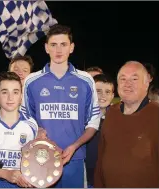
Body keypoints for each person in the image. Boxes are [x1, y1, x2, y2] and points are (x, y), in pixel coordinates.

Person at [22, 24, 100, 188]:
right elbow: (25, 119)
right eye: (53, 44)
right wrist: (37, 131)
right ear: (46, 48)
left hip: (75, 159)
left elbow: (93, 122)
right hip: (41, 159)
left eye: (63, 44)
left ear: (71, 48)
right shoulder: (31, 81)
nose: (58, 50)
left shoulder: (85, 80)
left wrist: (74, 146)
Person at [94, 61, 159, 188]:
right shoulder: (112, 113)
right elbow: (101, 157)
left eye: (134, 79)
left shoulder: (157, 115)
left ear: (146, 83)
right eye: (123, 79)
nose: (127, 83)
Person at [85, 74, 115, 188]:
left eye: (107, 92)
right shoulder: (81, 117)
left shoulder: (117, 118)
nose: (103, 95)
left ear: (112, 95)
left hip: (107, 178)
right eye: (98, 91)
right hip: (86, 177)